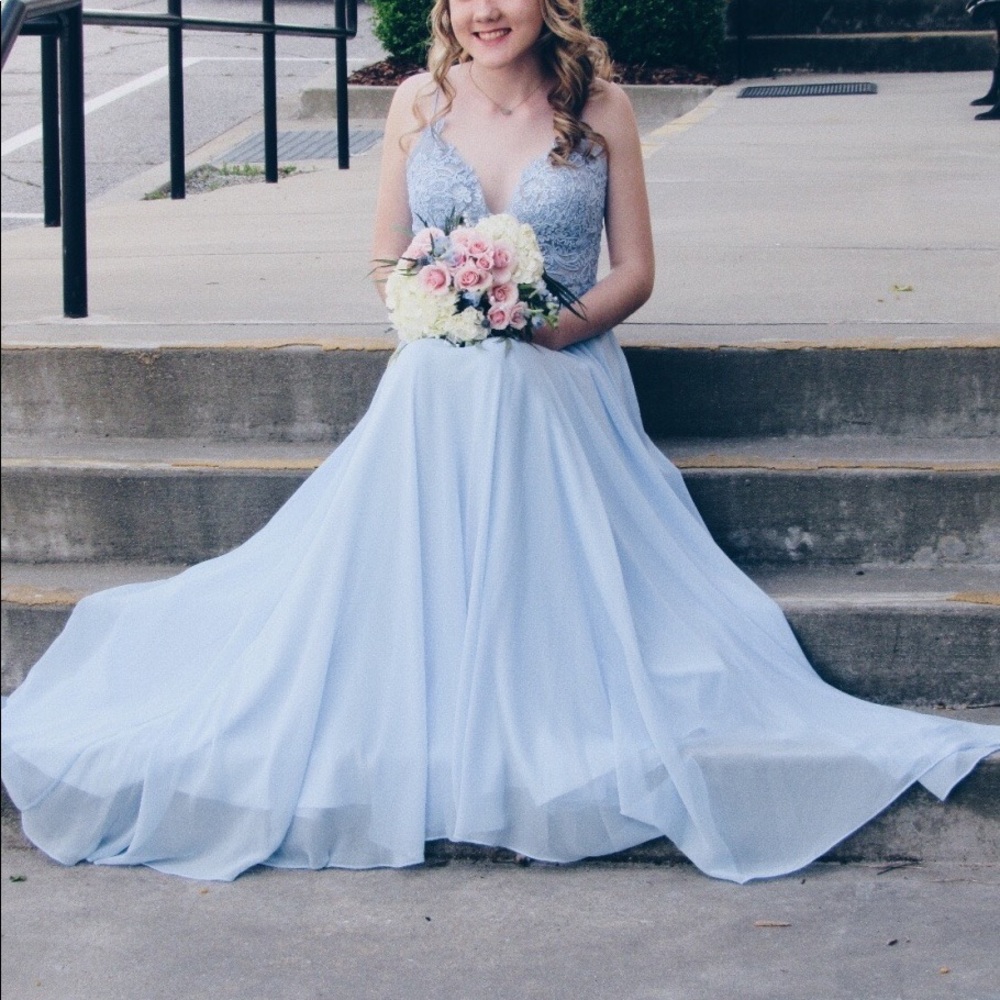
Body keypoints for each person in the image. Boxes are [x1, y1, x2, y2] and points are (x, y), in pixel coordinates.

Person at [2, 0, 998, 885]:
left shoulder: (600, 109)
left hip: (565, 364)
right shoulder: (414, 107)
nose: (488, 12)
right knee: (454, 372)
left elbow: (635, 272)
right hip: (441, 365)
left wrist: (549, 324)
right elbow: (386, 259)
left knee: (511, 375)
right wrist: (439, 304)